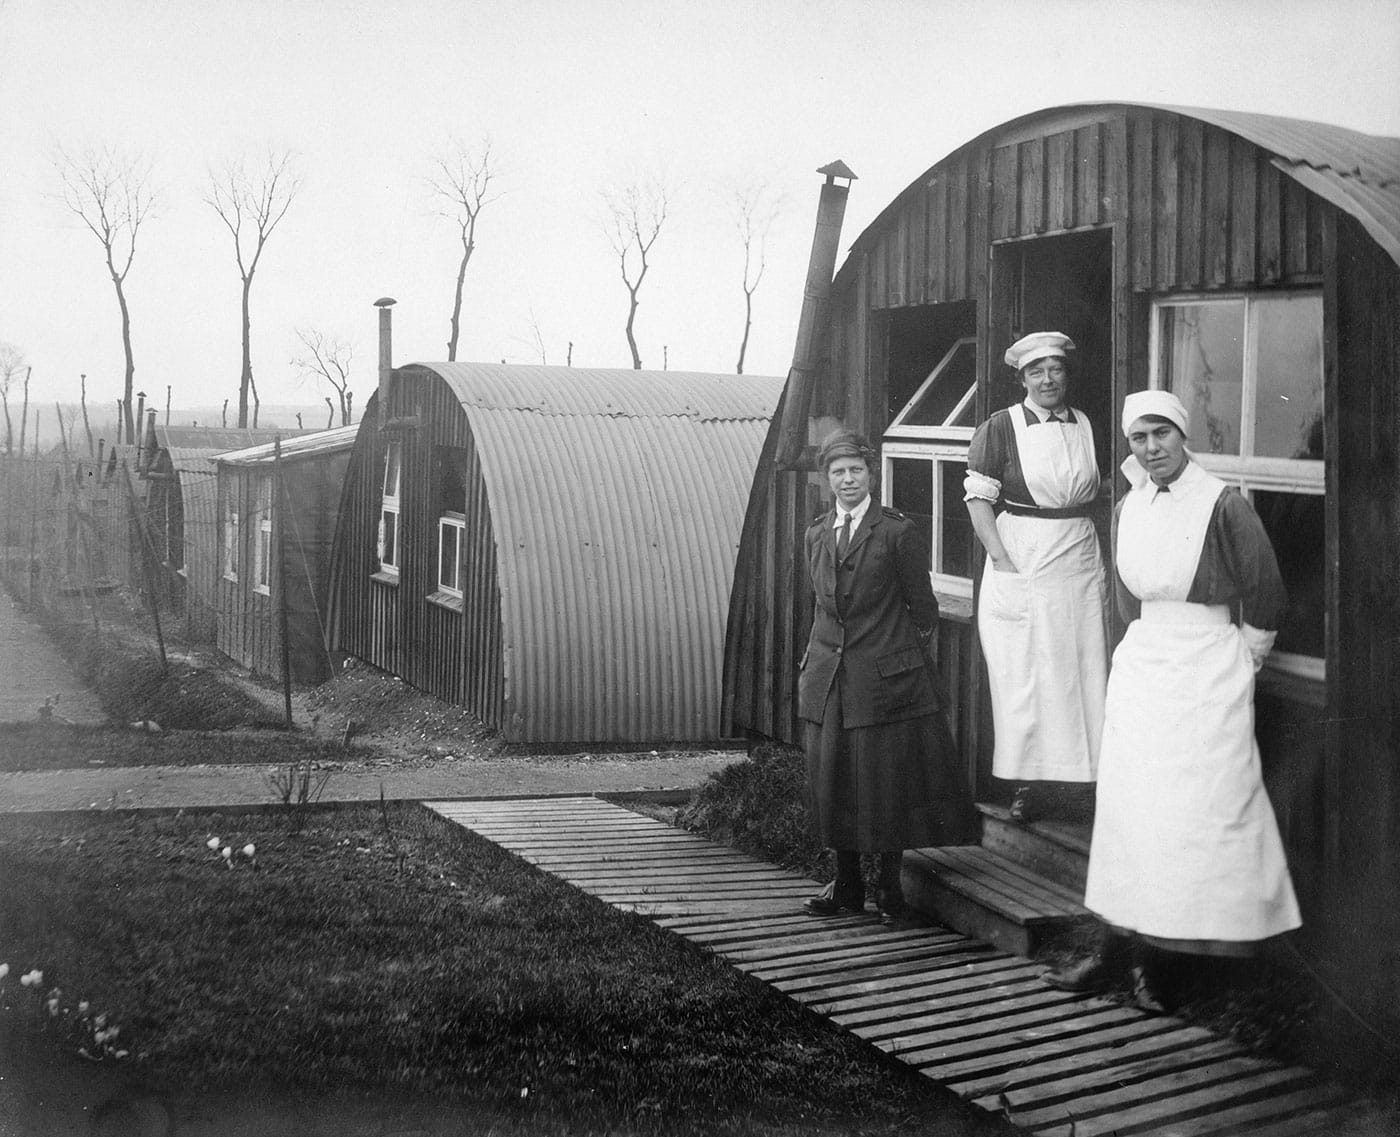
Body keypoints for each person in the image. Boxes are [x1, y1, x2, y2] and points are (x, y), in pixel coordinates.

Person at [1043, 389, 1301, 1011]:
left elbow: (1265, 592)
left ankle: (1170, 969)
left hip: (1209, 665)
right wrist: (1137, 649)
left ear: (1183, 437)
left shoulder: (1222, 504)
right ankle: (1116, 952)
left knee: (1197, 809)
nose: (1151, 448)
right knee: (1132, 809)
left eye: (1162, 435)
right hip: (1145, 664)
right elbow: (1124, 600)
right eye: (1139, 438)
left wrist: (1243, 658)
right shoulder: (1128, 506)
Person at [798, 430, 972, 925]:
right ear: (827, 480)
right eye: (838, 472)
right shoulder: (817, 533)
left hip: (885, 684)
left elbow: (924, 609)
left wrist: (891, 658)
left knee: (885, 786)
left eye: (856, 470)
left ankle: (889, 890)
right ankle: (847, 884)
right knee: (835, 783)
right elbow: (817, 606)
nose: (848, 480)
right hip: (829, 680)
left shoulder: (897, 532)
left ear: (871, 474)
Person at [963, 332, 1108, 822]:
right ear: (1022, 378)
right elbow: (979, 501)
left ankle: (1083, 782)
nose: (1048, 380)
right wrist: (1001, 559)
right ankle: (1030, 784)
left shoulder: (1087, 423)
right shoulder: (1001, 427)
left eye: (1056, 370)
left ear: (1067, 374)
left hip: (1078, 555)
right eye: (1036, 372)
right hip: (1023, 552)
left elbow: (1103, 489)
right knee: (1028, 673)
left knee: (1082, 666)